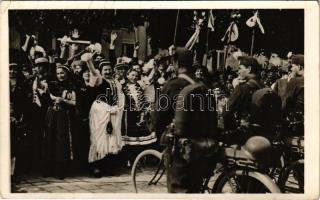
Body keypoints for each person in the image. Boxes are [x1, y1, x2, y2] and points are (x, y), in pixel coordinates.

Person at [152, 48, 218, 193]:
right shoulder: (203, 84)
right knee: (196, 185)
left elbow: (159, 115)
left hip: (182, 146)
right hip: (203, 145)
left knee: (179, 188)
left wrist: (156, 131)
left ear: (175, 63)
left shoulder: (172, 84)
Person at [81, 53, 124, 178]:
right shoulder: (99, 79)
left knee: (110, 138)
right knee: (98, 138)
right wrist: (89, 61)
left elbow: (120, 97)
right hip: (99, 112)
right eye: (105, 70)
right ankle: (96, 166)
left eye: (110, 70)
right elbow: (93, 71)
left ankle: (107, 166)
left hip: (112, 112)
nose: (108, 72)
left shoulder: (116, 82)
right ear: (101, 71)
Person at [43, 65, 76, 179]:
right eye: (58, 73)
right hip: (51, 114)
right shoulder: (52, 84)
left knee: (61, 141)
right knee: (49, 139)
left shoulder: (71, 86)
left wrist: (63, 100)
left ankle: (60, 170)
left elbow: (74, 103)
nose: (60, 76)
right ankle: (48, 169)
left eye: (62, 73)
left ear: (67, 73)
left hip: (63, 116)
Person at [122, 68, 157, 166]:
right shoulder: (123, 86)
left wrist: (143, 110)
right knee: (130, 137)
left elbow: (148, 82)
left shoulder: (139, 86)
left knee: (139, 138)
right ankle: (129, 159)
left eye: (136, 76)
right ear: (128, 75)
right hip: (129, 114)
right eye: (132, 75)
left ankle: (139, 159)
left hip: (139, 113)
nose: (134, 77)